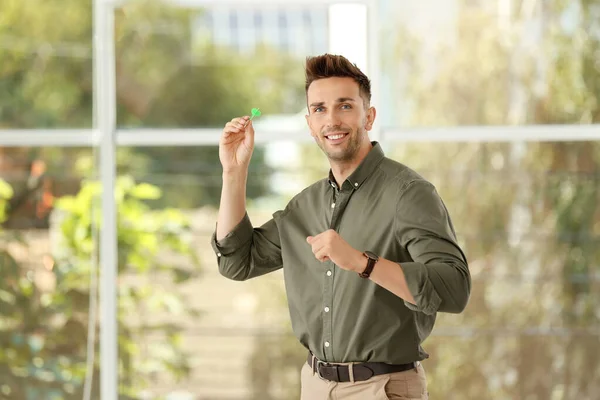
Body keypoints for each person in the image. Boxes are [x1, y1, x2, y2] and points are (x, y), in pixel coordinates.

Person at [211, 53, 471, 400]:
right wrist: (233, 172)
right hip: (315, 385)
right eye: (319, 109)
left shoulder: (407, 194)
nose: (332, 119)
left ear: (369, 116)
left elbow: (453, 288)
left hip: (382, 388)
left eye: (345, 106)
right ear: (309, 124)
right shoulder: (305, 205)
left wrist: (363, 263)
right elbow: (236, 262)